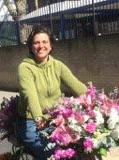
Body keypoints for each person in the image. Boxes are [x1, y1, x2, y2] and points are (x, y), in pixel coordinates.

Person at [16, 25, 87, 160]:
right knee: (53, 155)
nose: (40, 46)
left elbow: (77, 86)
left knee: (78, 148)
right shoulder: (25, 68)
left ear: (50, 45)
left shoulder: (57, 65)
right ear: (31, 47)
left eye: (44, 42)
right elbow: (30, 95)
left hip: (55, 119)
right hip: (31, 123)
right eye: (36, 42)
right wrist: (38, 118)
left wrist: (99, 101)